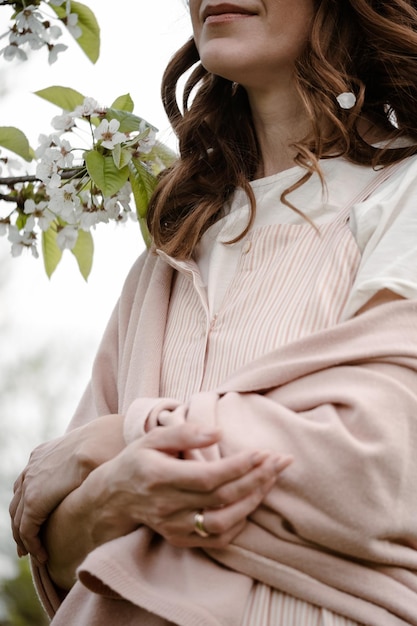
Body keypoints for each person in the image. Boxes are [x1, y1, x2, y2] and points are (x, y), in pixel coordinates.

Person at [9, 0, 417, 624]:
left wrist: (122, 442)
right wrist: (119, 492)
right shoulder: (168, 257)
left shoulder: (403, 195)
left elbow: (375, 464)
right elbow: (53, 541)